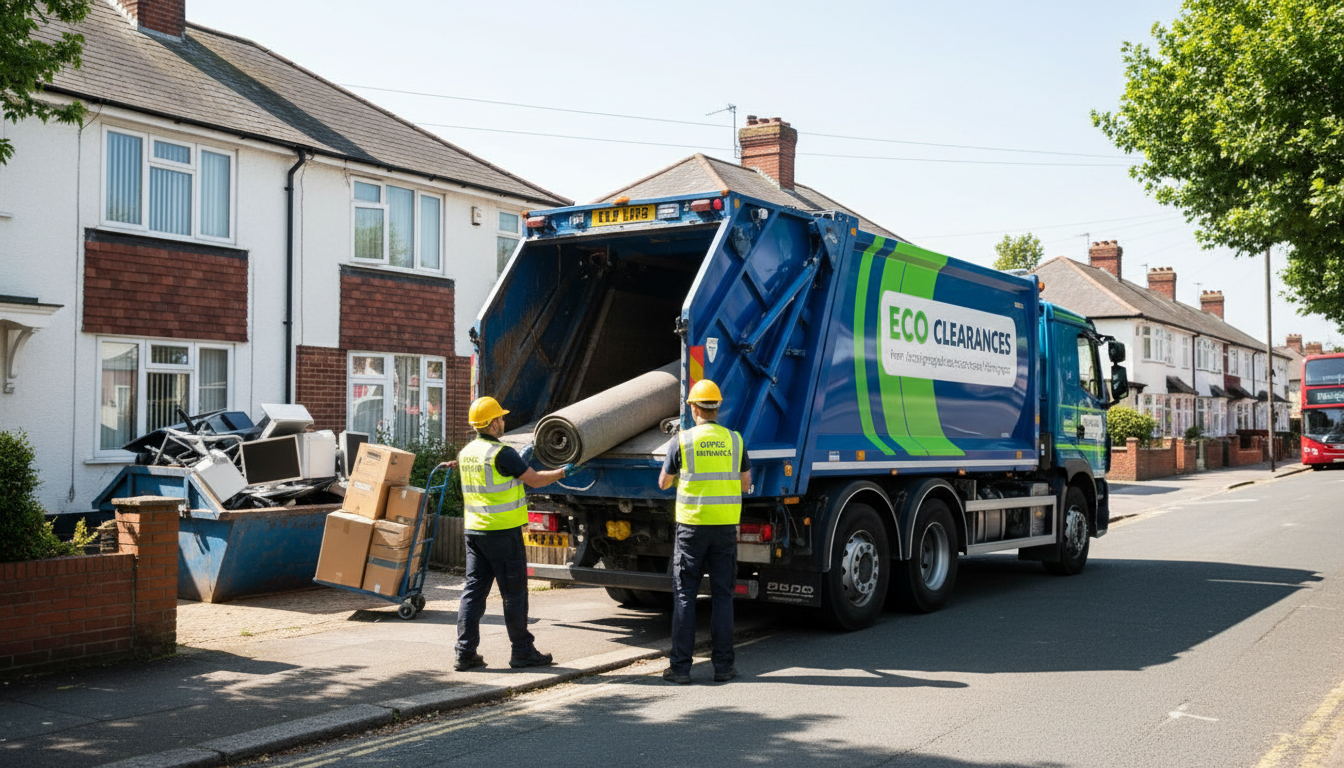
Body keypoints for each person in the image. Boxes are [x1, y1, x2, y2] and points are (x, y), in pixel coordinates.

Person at [454, 395, 576, 672]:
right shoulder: (502, 453)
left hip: (474, 532)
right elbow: (534, 479)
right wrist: (564, 472)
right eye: (501, 417)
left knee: (473, 593)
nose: (503, 421)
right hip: (502, 534)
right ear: (494, 422)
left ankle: (465, 653)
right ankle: (522, 651)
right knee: (514, 594)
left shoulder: (467, 452)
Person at [657, 379, 751, 684]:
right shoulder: (735, 440)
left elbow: (663, 483)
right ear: (717, 407)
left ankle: (681, 669)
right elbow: (746, 483)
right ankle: (724, 668)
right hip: (724, 527)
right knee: (723, 596)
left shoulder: (682, 441)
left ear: (694, 408)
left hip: (691, 528)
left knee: (685, 595)